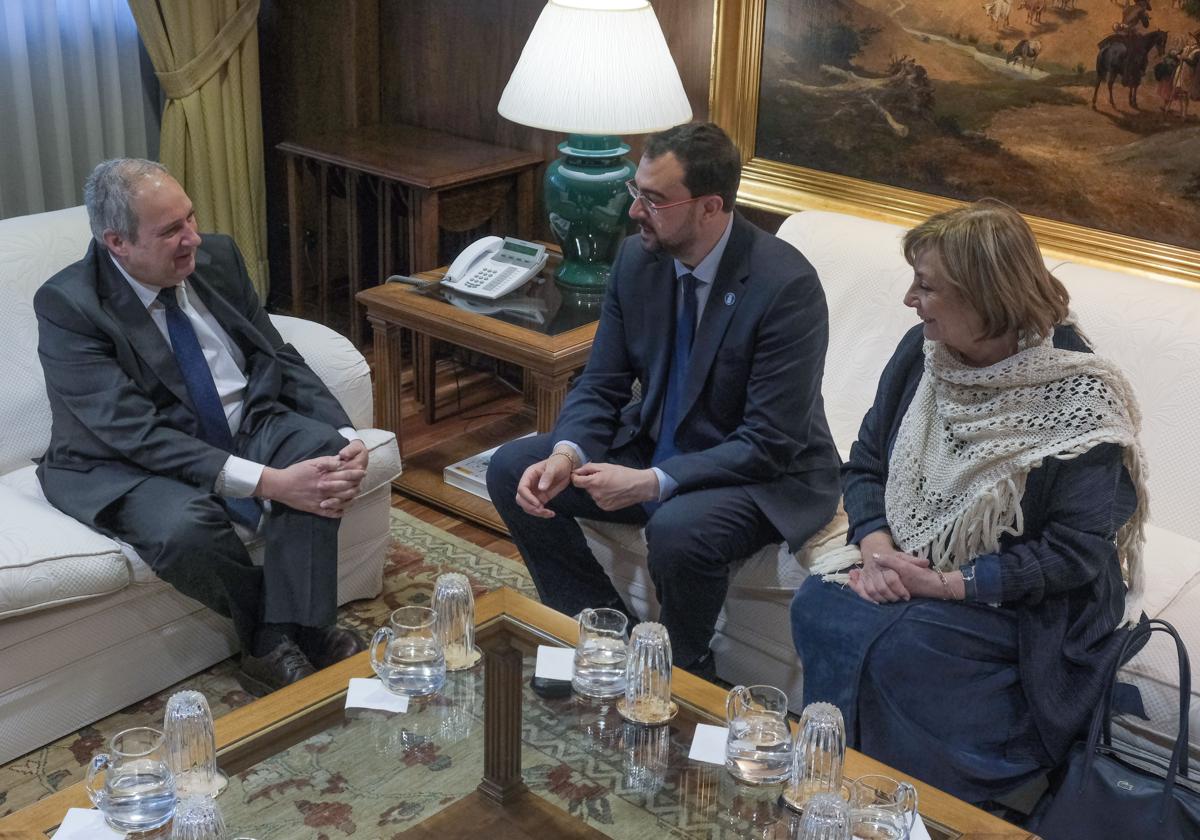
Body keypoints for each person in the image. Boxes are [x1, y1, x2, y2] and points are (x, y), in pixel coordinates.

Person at [791, 200, 1148, 806]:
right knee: (818, 605)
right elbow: (868, 462)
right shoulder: (921, 354)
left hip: (1026, 595)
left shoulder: (1078, 395)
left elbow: (1073, 553)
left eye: (925, 286)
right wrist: (876, 549)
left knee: (901, 646)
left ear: (985, 296)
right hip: (911, 561)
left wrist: (950, 584)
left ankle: (919, 808)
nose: (909, 299)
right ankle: (838, 788)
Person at [487, 122, 841, 676]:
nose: (634, 212)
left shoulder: (785, 285)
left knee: (678, 528)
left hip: (757, 473)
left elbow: (769, 441)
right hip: (657, 443)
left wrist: (652, 482)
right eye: (637, 192)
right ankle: (605, 633)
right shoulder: (637, 260)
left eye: (653, 200)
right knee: (514, 467)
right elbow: (602, 382)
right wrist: (566, 455)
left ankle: (682, 673)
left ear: (710, 207)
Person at [35, 159, 368, 696]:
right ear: (117, 241)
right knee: (185, 529)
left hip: (245, 422)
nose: (193, 238)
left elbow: (276, 354)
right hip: (125, 462)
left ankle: (289, 632)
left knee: (323, 454)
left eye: (190, 218)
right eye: (171, 231)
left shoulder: (219, 258)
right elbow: (132, 433)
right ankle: (277, 635)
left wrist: (348, 437)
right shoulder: (69, 305)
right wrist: (268, 482)